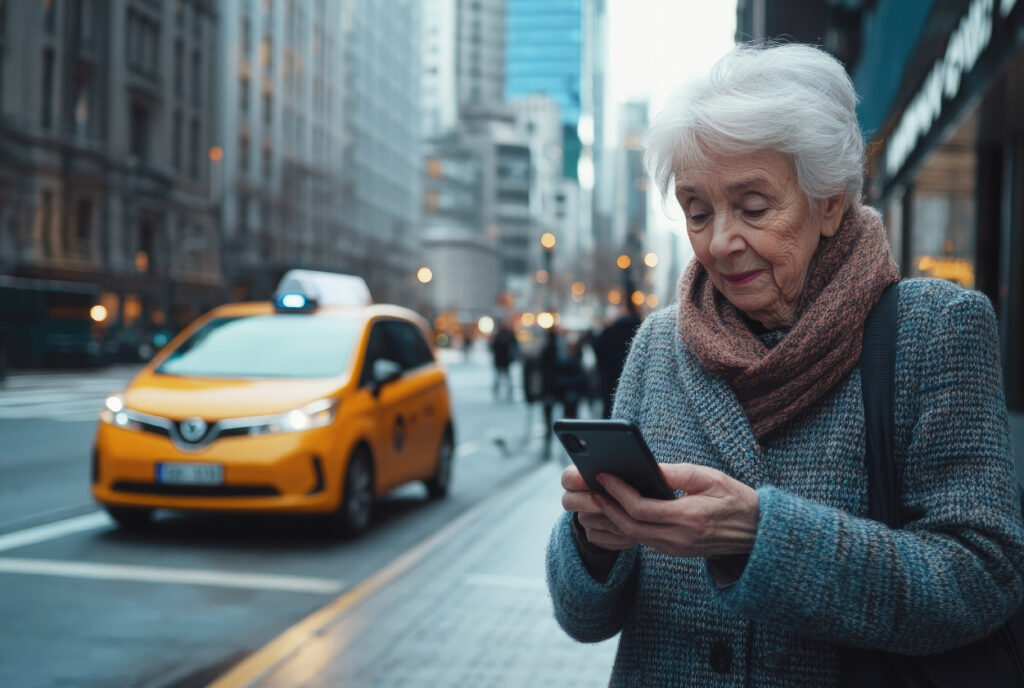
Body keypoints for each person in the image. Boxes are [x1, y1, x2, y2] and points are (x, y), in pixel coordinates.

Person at [546, 43, 1024, 686]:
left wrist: (760, 536)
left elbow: (984, 579)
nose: (719, 241)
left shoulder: (933, 330)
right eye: (697, 211)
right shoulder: (660, 346)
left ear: (829, 201)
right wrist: (592, 541)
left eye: (752, 207)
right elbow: (582, 618)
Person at [593, 301, 643, 418]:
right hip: (635, 382)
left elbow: (597, 350)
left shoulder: (609, 331)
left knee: (609, 412)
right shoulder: (641, 329)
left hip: (610, 379)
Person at [490, 320, 518, 401]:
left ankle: (507, 391)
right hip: (501, 359)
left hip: (504, 359)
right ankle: (499, 390)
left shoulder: (506, 335)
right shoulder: (500, 335)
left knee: (504, 376)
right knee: (501, 376)